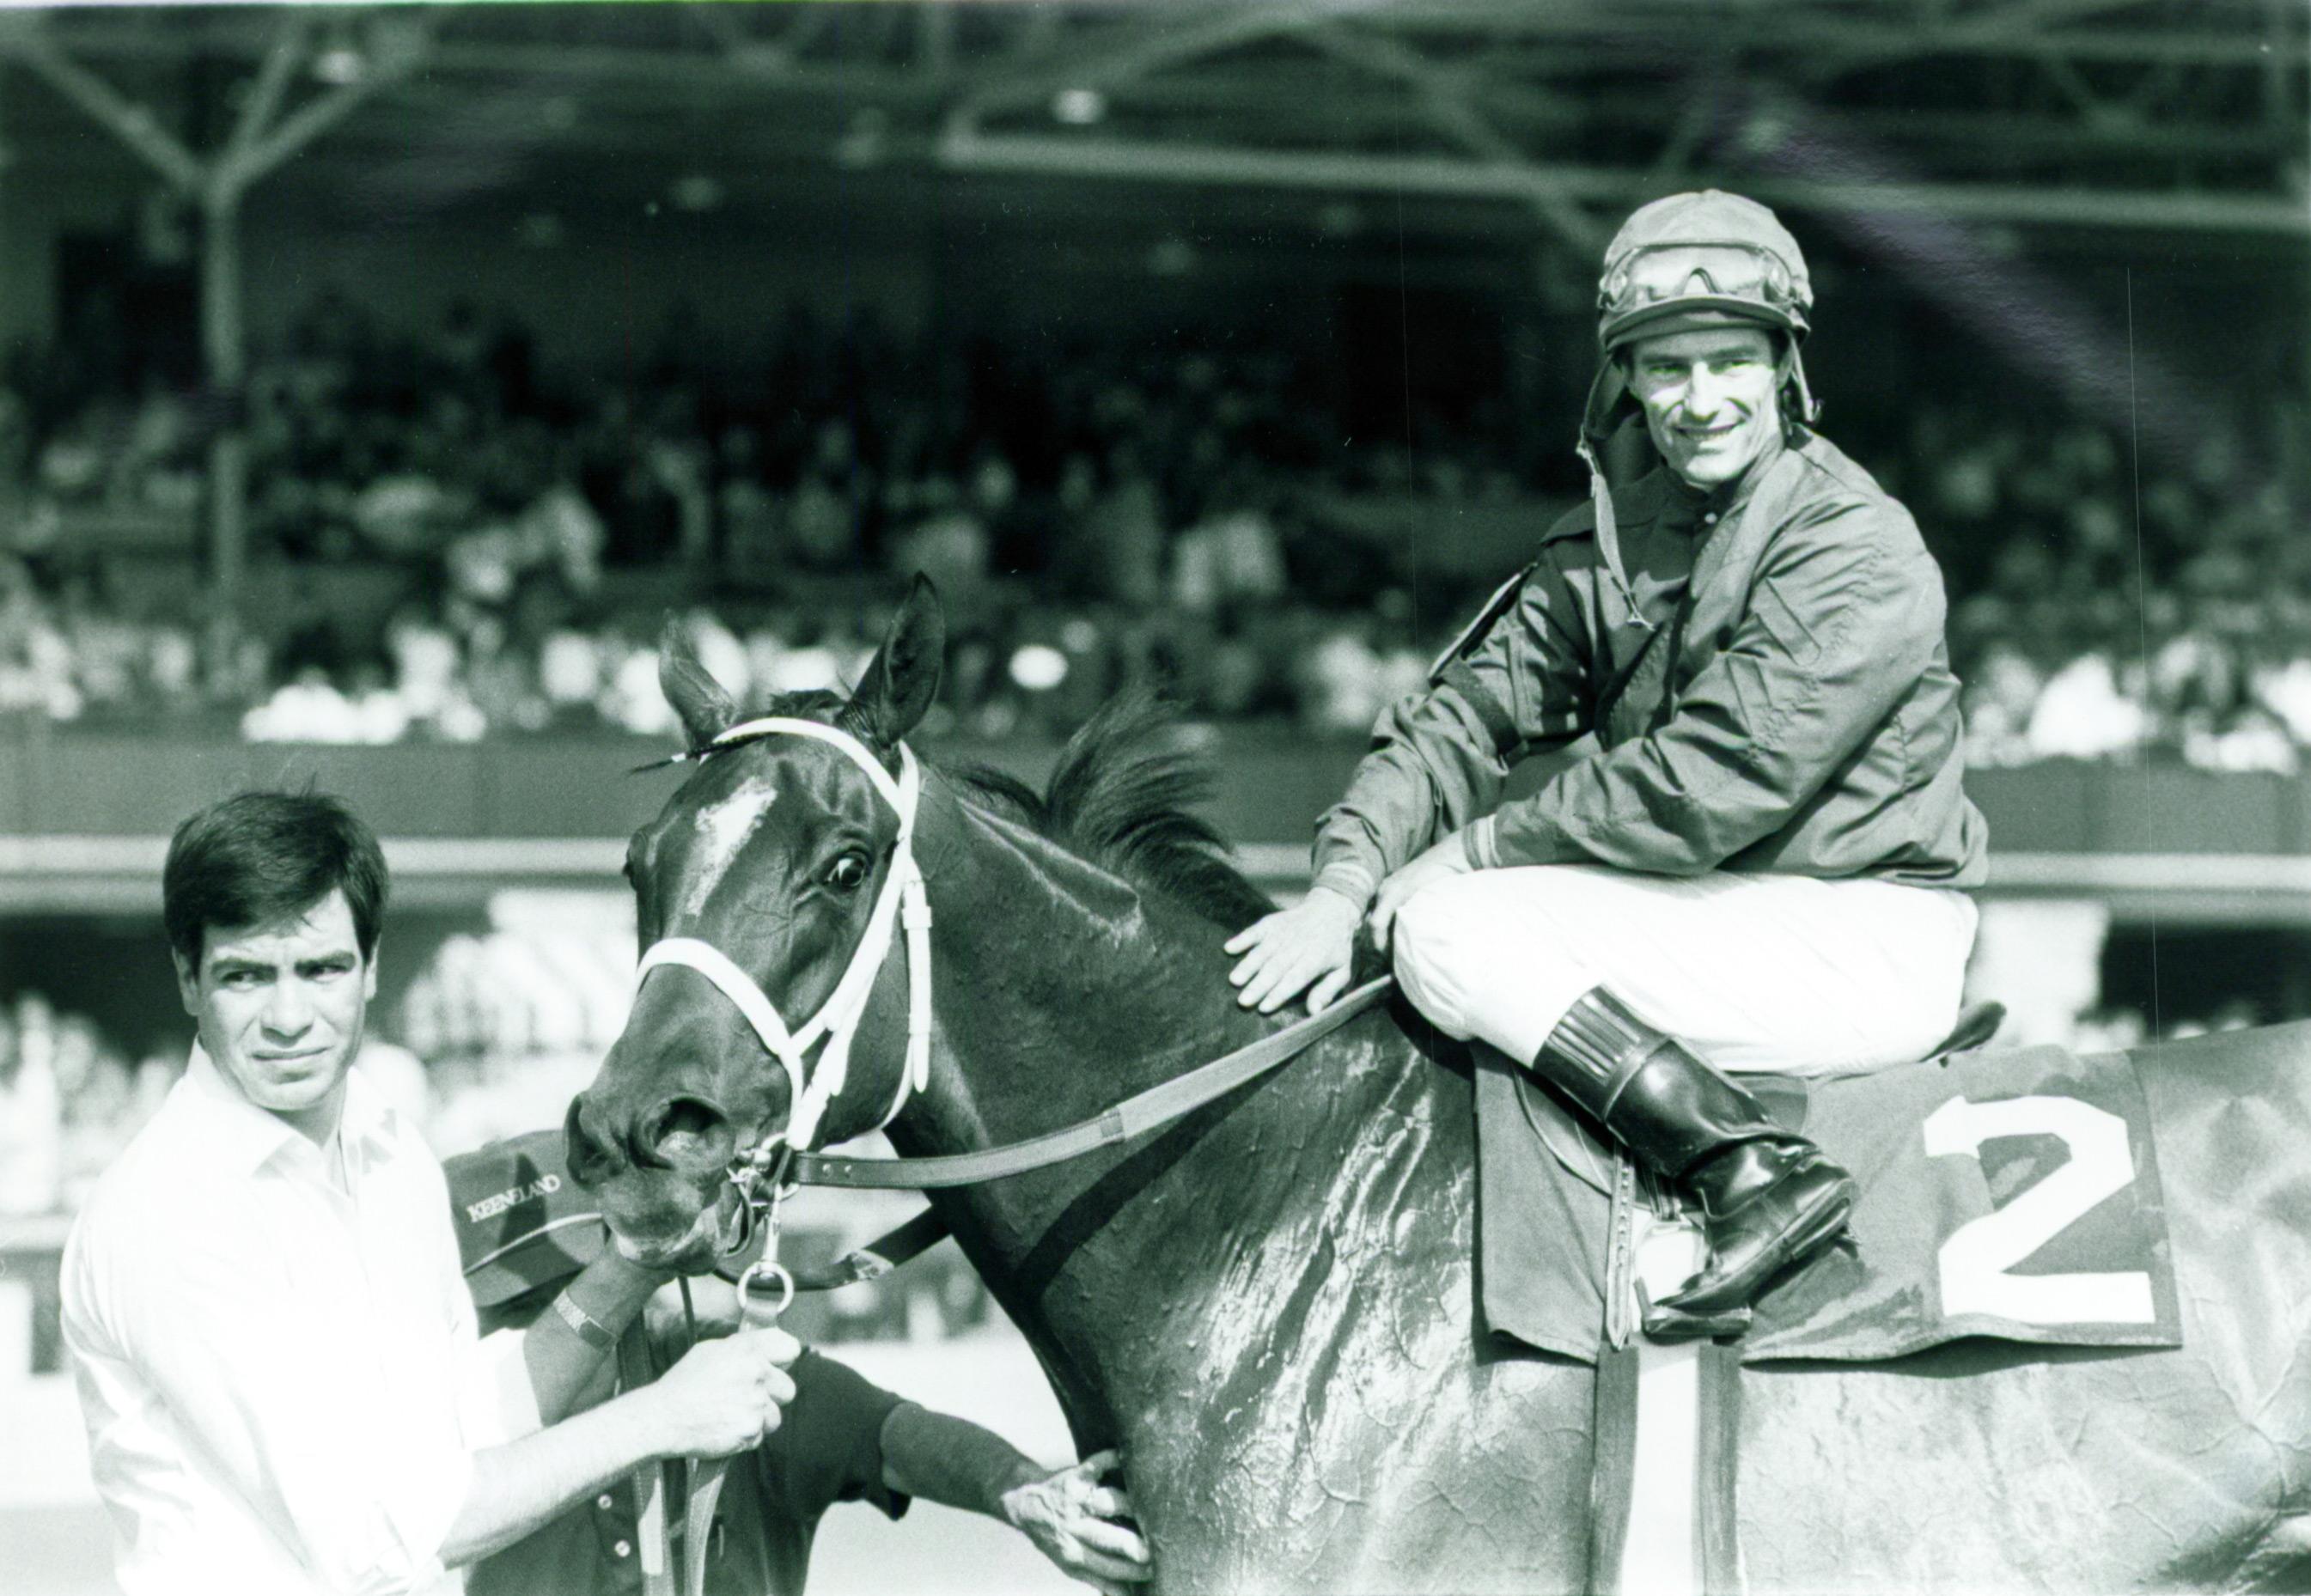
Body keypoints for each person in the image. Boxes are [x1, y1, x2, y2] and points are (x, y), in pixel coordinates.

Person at [1226, 191, 1986, 1325]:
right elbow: (1452, 718)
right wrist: (1337, 889)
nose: (1697, 399)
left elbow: (1710, 787)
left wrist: (1476, 848)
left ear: (1783, 366)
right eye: (1664, 367)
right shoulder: (1608, 540)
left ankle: (1749, 1174)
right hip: (1724, 914)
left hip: (1860, 929)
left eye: (1727, 360)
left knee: (1448, 927)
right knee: (1405, 930)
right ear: (1623, 378)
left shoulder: (1852, 541)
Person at [61, 791, 797, 1594]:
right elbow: (380, 1538)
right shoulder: (172, 1208)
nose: (289, 1015)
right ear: (189, 980)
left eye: (321, 969)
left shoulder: (390, 1150)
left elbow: (465, 1428)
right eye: (246, 975)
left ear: (371, 968)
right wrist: (662, 1417)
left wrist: (633, 1268)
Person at [445, 1130, 1155, 1596]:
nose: (559, 1325)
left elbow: (890, 1434)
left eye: (576, 1288)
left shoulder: (709, 1368)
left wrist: (1021, 1493)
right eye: (515, 1306)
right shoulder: (438, 1449)